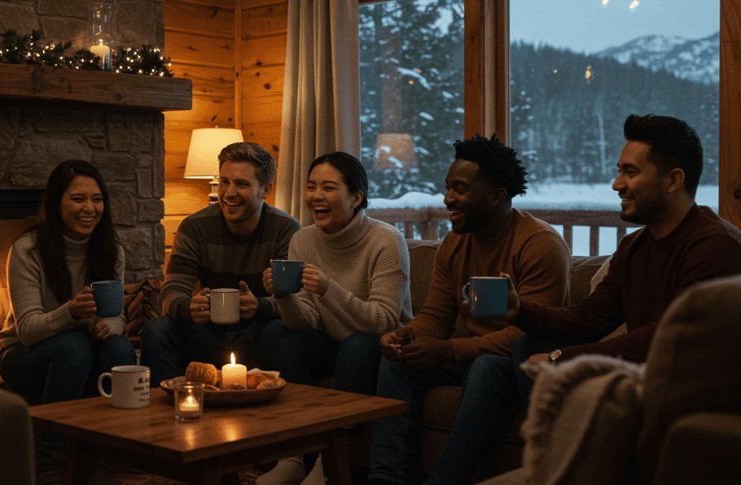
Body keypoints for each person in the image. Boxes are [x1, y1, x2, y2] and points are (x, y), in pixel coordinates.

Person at [366, 135, 572, 485]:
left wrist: (449, 350)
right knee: (398, 360)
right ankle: (385, 479)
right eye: (448, 187)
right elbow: (437, 315)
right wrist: (407, 335)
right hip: (469, 359)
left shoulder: (540, 244)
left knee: (487, 366)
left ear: (497, 196)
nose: (448, 198)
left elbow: (530, 335)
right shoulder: (454, 242)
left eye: (460, 189)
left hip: (518, 366)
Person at [505, 114, 741, 401]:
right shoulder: (633, 246)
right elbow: (590, 319)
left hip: (699, 392)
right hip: (651, 377)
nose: (617, 184)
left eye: (630, 172)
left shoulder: (715, 246)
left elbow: (669, 336)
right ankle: (548, 429)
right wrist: (519, 310)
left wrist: (562, 359)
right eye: (619, 172)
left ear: (673, 180)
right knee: (528, 346)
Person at [258, 151, 413, 485]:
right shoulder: (302, 239)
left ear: (356, 198)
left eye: (328, 188)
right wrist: (283, 297)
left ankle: (326, 465)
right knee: (288, 340)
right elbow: (306, 323)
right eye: (311, 186)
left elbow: (385, 321)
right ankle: (292, 456)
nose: (316, 196)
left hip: (379, 348)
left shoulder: (387, 240)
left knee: (356, 346)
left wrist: (329, 289)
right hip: (330, 341)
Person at [0, 160, 137, 485]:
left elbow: (118, 316)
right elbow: (27, 331)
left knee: (119, 349)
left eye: (97, 199)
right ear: (56, 202)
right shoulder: (28, 250)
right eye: (78, 199)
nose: (89, 208)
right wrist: (71, 312)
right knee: (73, 346)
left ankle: (101, 455)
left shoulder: (110, 249)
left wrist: (109, 327)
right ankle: (51, 459)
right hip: (23, 357)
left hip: (81, 353)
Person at [140, 142, 300, 385]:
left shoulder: (286, 229)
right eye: (224, 182)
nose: (229, 192)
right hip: (204, 330)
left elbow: (296, 303)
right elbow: (170, 292)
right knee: (156, 329)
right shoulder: (195, 227)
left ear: (265, 190)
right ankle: (164, 404)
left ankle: (263, 399)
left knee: (279, 330)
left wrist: (260, 306)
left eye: (241, 184)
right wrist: (188, 307)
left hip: (257, 332)